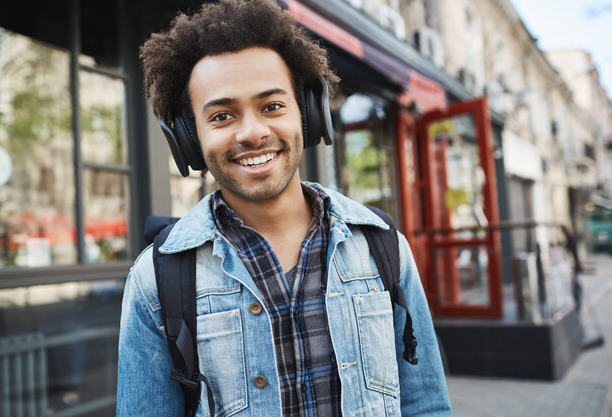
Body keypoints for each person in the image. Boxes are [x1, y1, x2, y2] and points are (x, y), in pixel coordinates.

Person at [116, 0, 451, 416]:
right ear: (189, 138)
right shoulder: (156, 279)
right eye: (222, 116)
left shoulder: (383, 248)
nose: (252, 132)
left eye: (272, 106)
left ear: (308, 114)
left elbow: (427, 405)